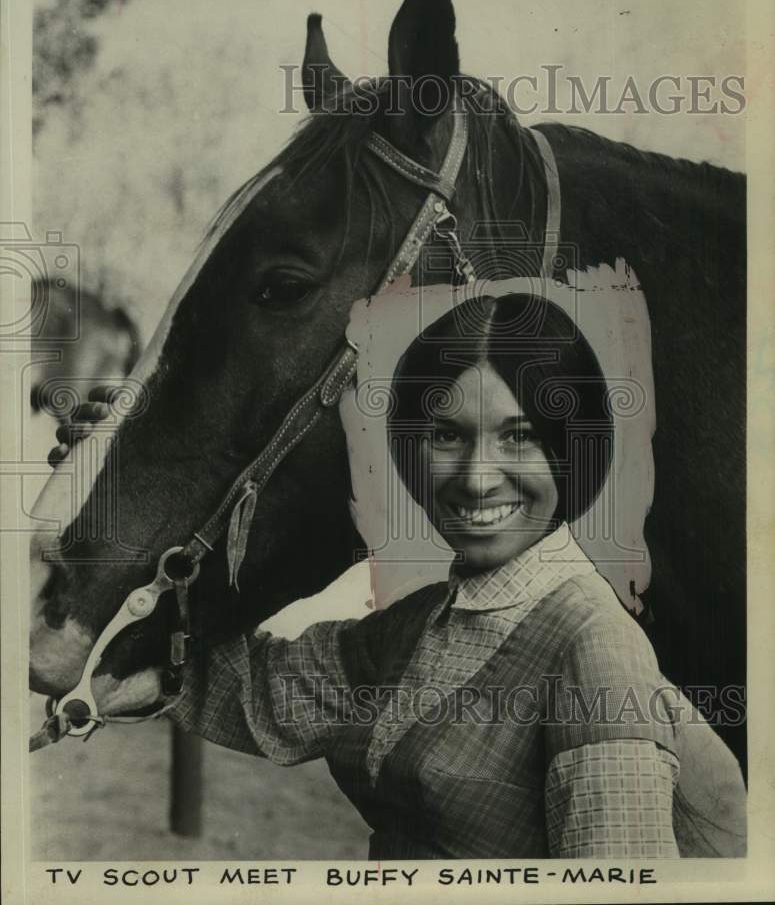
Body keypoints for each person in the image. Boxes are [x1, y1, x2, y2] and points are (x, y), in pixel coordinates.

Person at [53, 293, 746, 858]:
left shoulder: (595, 650)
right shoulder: (427, 623)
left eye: (521, 436)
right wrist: (126, 493)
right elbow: (249, 690)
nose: (477, 478)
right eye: (446, 435)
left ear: (572, 448)